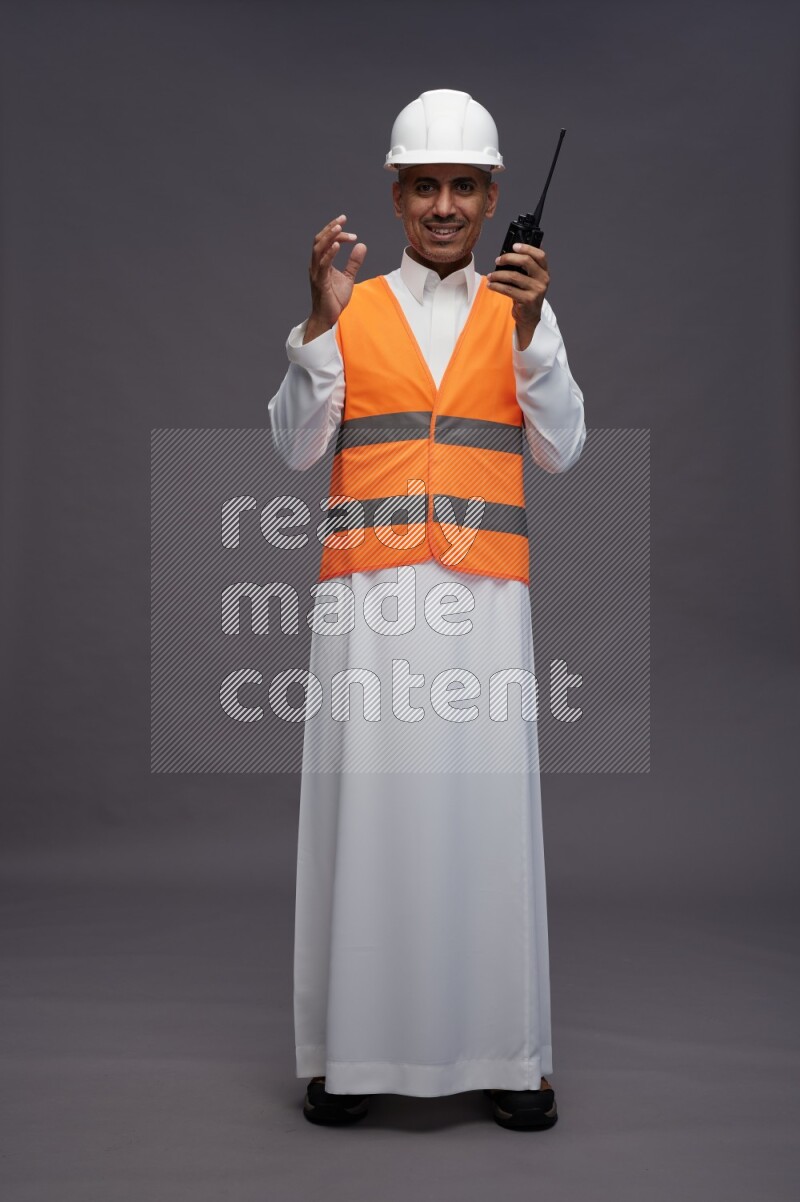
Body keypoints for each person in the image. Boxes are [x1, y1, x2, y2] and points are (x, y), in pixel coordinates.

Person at [268, 89, 586, 1131]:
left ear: (492, 198)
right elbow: (295, 448)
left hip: (483, 602)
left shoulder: (521, 309)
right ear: (396, 195)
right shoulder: (348, 305)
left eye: (461, 186)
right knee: (367, 816)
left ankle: (505, 1053)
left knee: (486, 819)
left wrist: (532, 337)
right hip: (365, 601)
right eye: (422, 186)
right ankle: (354, 1054)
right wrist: (317, 325)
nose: (442, 205)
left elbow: (562, 448)